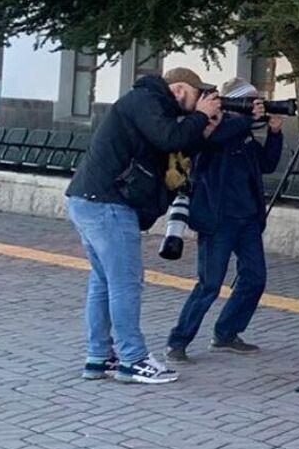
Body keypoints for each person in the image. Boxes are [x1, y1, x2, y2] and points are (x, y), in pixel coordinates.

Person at [65, 67, 219, 384]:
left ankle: (99, 357)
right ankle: (132, 359)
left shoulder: (150, 105)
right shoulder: (146, 100)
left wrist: (203, 129)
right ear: (178, 90)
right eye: (195, 94)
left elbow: (170, 149)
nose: (199, 100)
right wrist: (201, 116)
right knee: (125, 282)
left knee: (104, 282)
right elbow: (168, 137)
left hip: (92, 200)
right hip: (108, 205)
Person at [164, 78, 284, 362]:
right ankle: (178, 340)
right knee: (209, 284)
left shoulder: (243, 132)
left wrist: (275, 133)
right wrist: (247, 119)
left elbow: (266, 164)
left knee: (255, 278)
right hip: (217, 220)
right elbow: (216, 139)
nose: (256, 107)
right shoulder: (209, 127)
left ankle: (227, 333)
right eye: (250, 101)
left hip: (248, 219)